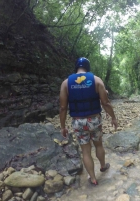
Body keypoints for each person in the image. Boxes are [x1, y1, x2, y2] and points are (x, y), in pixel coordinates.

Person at [59, 57, 118, 186]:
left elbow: (63, 107)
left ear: (76, 67)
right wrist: (113, 117)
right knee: (98, 145)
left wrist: (63, 126)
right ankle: (103, 166)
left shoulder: (65, 83)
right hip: (94, 120)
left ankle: (93, 178)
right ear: (88, 67)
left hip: (78, 122)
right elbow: (106, 103)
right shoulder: (96, 80)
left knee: (85, 151)